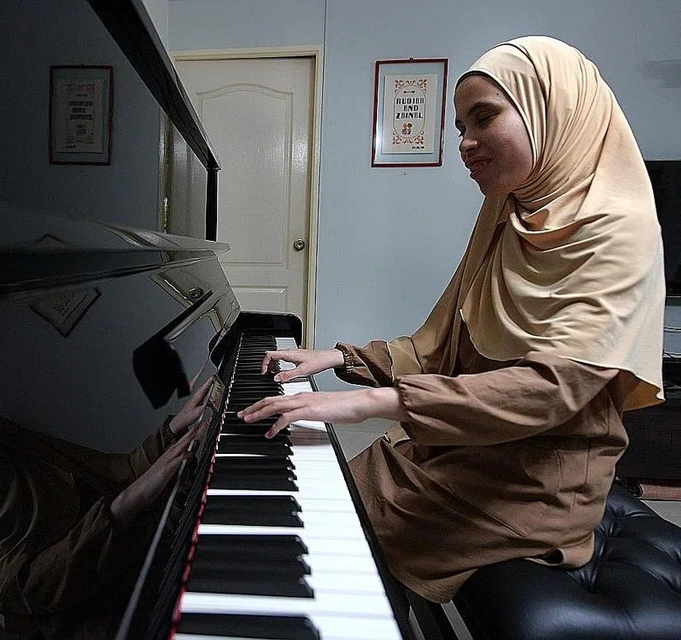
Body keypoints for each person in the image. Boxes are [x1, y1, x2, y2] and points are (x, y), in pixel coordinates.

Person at [239, 36, 665, 603]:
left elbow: (554, 388)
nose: (465, 144)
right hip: (467, 448)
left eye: (483, 118)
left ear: (552, 109)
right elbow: (443, 343)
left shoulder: (621, 227)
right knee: (323, 489)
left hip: (537, 478)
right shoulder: (507, 211)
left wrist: (376, 401)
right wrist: (342, 359)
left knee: (329, 524)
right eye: (460, 126)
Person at [0, 335, 213, 637]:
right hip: (116, 615)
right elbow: (32, 589)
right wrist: (126, 504)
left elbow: (110, 471)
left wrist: (174, 428)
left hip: (148, 552)